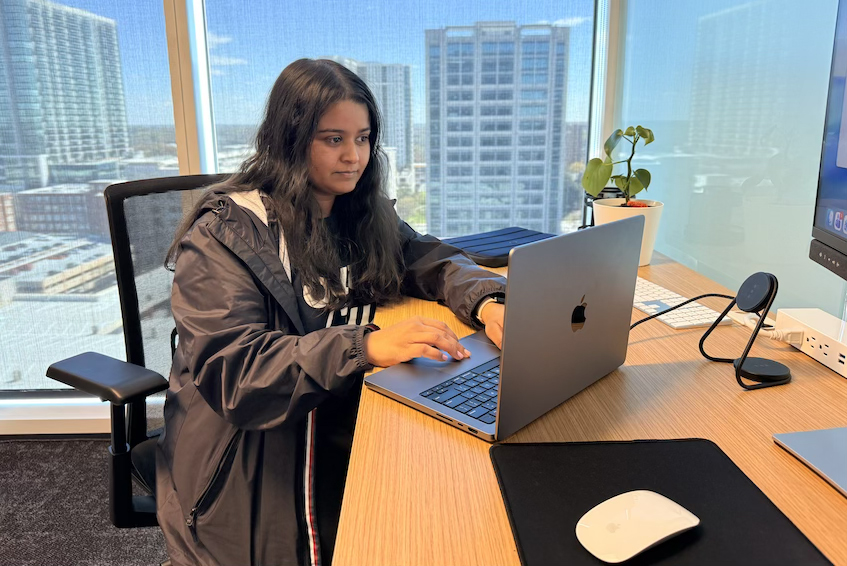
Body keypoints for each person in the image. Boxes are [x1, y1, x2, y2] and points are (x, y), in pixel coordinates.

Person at [156, 58, 507, 566]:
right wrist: (362, 343)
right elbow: (236, 372)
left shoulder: (357, 211)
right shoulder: (225, 236)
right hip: (247, 465)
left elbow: (427, 257)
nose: (354, 157)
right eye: (333, 139)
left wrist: (488, 300)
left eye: (363, 138)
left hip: (335, 422)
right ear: (290, 139)